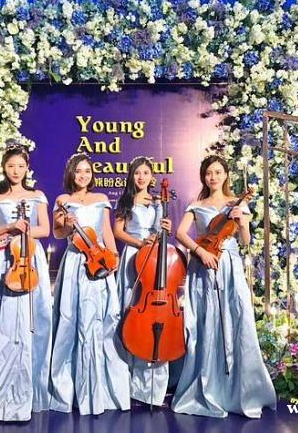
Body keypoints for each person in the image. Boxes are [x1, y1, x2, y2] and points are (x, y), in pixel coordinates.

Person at [171, 154, 276, 418]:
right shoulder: (197, 204)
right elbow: (180, 233)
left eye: (218, 172)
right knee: (206, 322)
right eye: (209, 173)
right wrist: (200, 252)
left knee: (235, 317)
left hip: (229, 264)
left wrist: (241, 222)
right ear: (203, 177)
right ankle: (207, 385)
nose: (213, 177)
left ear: (226, 175)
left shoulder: (236, 203)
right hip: (203, 265)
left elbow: (245, 240)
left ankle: (236, 389)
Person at [0, 142, 52, 421]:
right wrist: (8, 227)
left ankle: (27, 391)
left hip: (29, 258)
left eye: (21, 166)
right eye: (11, 165)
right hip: (2, 260)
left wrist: (24, 232)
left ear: (27, 168)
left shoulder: (36, 195)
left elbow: (45, 229)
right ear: (4, 167)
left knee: (30, 322)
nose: (16, 171)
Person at [50, 152, 130, 415]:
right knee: (72, 319)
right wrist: (67, 225)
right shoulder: (63, 201)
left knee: (102, 320)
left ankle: (102, 389)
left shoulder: (101, 199)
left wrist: (114, 256)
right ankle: (72, 389)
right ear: (71, 174)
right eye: (78, 171)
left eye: (87, 170)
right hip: (75, 263)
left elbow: (106, 231)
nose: (83, 175)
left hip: (100, 261)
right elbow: (58, 233)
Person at [113, 156, 172, 406]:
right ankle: (126, 384)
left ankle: (150, 387)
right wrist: (140, 243)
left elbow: (161, 232)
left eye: (145, 173)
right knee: (131, 313)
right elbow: (118, 232)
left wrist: (165, 228)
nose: (141, 177)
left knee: (152, 316)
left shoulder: (159, 202)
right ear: (132, 176)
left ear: (151, 177)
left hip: (154, 258)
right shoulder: (126, 200)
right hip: (133, 257)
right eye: (137, 173)